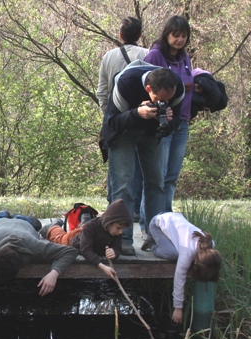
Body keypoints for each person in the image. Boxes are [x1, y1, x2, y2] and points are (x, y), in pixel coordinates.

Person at [102, 63, 185, 255]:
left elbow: (179, 120)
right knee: (124, 185)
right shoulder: (126, 83)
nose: (163, 103)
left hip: (152, 133)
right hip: (124, 132)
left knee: (156, 182)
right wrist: (137, 114)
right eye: (158, 100)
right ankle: (122, 239)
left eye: (167, 100)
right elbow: (112, 123)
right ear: (148, 89)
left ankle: (155, 237)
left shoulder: (177, 86)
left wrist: (170, 124)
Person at [143, 15, 194, 216]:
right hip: (161, 122)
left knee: (172, 175)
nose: (179, 40)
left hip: (181, 121)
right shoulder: (155, 56)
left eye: (183, 36)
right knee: (158, 175)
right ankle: (151, 221)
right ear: (167, 34)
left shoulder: (185, 58)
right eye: (176, 35)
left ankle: (166, 215)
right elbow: (146, 86)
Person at [97, 17, 148, 211]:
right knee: (140, 167)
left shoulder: (109, 56)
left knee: (117, 167)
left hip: (116, 116)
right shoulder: (147, 54)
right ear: (140, 35)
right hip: (143, 117)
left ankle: (115, 209)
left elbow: (101, 90)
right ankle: (135, 210)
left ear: (120, 35)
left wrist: (107, 114)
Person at [0, 214, 78, 296]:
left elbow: (70, 251)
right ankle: (2, 214)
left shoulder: (35, 246)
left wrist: (54, 274)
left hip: (24, 223)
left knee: (27, 221)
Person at [146, 212, 221, 324]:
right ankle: (152, 244)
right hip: (158, 224)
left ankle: (166, 241)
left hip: (176, 219)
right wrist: (178, 308)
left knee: (176, 251)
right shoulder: (187, 253)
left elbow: (212, 266)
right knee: (172, 254)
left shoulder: (210, 246)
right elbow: (179, 278)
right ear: (195, 261)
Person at [41, 199, 132, 279]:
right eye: (118, 228)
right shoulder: (91, 227)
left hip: (87, 235)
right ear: (110, 222)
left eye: (122, 229)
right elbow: (86, 250)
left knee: (84, 229)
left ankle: (82, 223)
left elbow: (117, 247)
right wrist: (103, 267)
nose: (121, 232)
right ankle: (53, 226)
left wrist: (114, 252)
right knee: (59, 238)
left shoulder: (116, 230)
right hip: (75, 240)